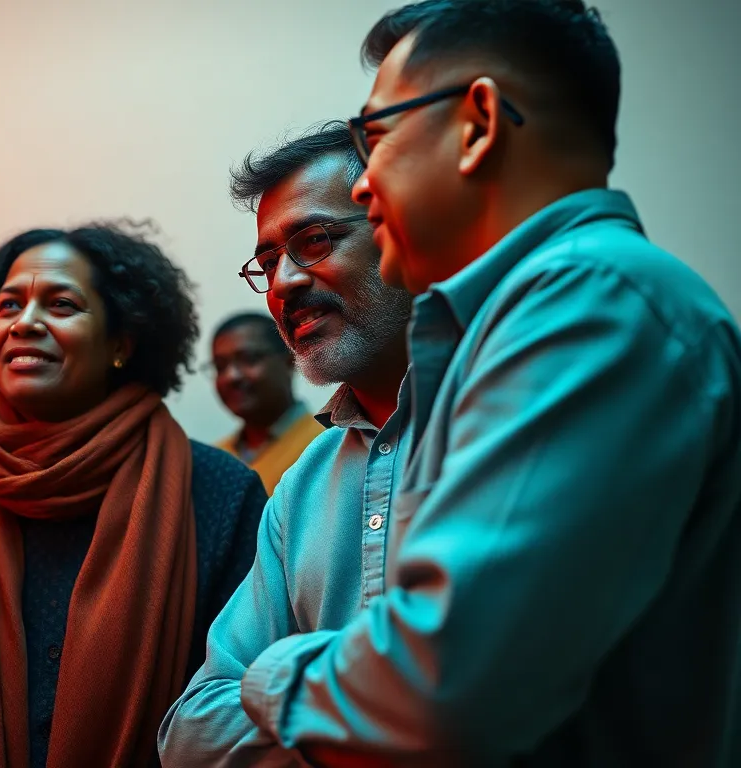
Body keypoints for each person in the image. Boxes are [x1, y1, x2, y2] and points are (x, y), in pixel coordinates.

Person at [229, 2, 741, 765]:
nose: (366, 187)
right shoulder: (525, 322)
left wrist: (269, 677)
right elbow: (188, 724)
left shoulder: (588, 300)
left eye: (377, 139)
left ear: (478, 124)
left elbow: (439, 690)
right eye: (267, 263)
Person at [0, 222, 268, 768]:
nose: (25, 323)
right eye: (8, 306)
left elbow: (242, 707)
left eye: (61, 305)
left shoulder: (219, 491)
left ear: (121, 343)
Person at [158, 122, 415, 766]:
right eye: (268, 262)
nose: (284, 283)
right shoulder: (304, 484)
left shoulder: (504, 420)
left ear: (403, 232)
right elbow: (190, 729)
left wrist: (284, 692)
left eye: (315, 241)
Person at [208, 312, 322, 495]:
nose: (231, 376)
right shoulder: (214, 458)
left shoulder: (326, 446)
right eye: (220, 366)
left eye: (249, 359)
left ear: (290, 361)